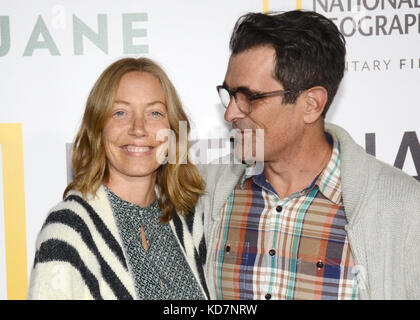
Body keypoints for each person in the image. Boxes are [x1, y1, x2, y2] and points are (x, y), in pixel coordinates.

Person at [198, 10, 420, 300]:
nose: (230, 113)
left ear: (312, 104)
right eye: (229, 94)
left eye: (249, 97)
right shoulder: (206, 193)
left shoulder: (403, 209)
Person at [27, 57, 209, 300]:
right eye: (120, 112)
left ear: (173, 130)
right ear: (98, 128)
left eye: (155, 113)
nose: (138, 128)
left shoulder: (188, 220)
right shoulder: (69, 228)